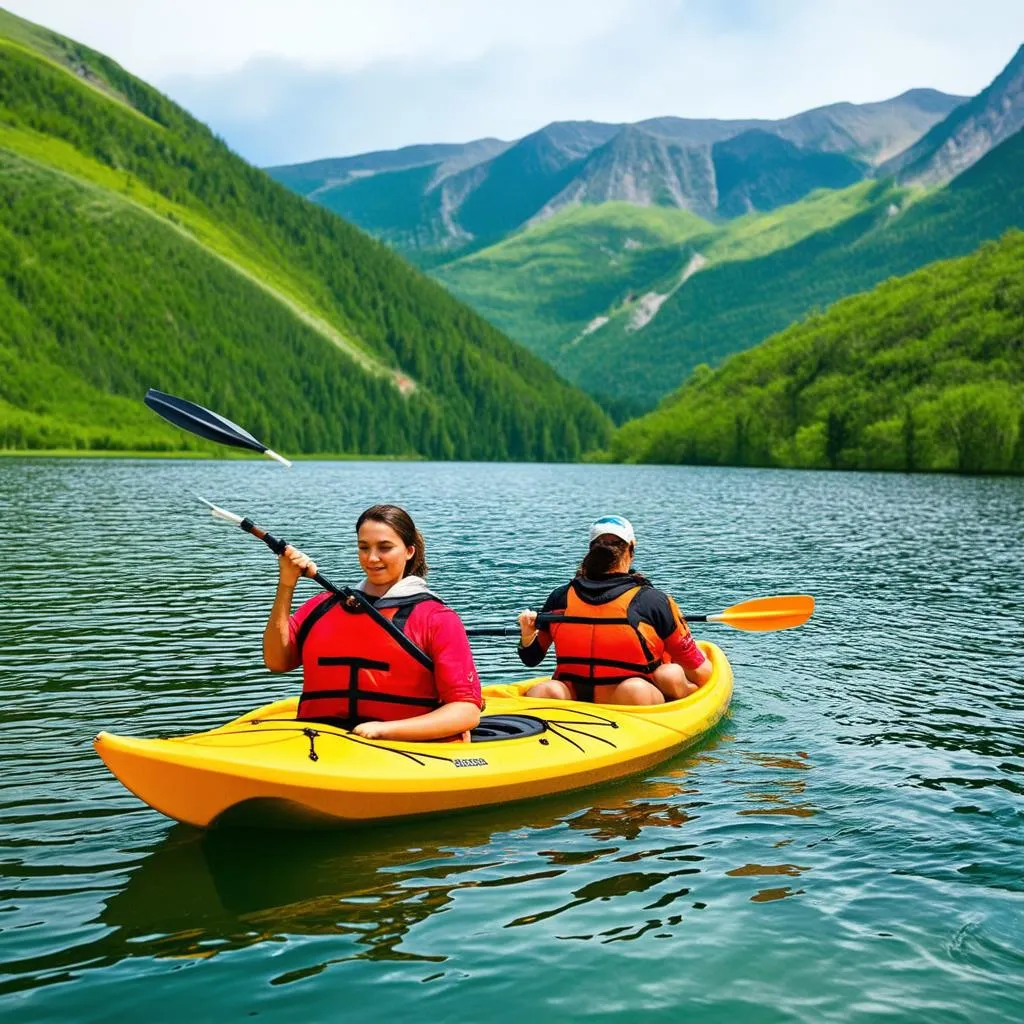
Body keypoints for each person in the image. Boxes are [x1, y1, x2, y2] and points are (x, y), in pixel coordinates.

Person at [263, 504, 481, 741]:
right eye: (363, 547)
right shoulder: (322, 606)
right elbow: (277, 661)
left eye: (385, 548)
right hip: (319, 743)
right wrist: (287, 583)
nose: (372, 558)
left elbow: (466, 712)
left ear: (409, 551)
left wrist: (383, 730)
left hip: (409, 751)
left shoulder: (437, 618)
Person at [517, 515, 712, 706]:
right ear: (631, 549)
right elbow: (701, 674)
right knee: (646, 685)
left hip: (577, 700)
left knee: (547, 690)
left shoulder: (560, 597)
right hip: (631, 701)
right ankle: (684, 691)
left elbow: (531, 658)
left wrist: (527, 637)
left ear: (591, 551)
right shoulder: (653, 601)